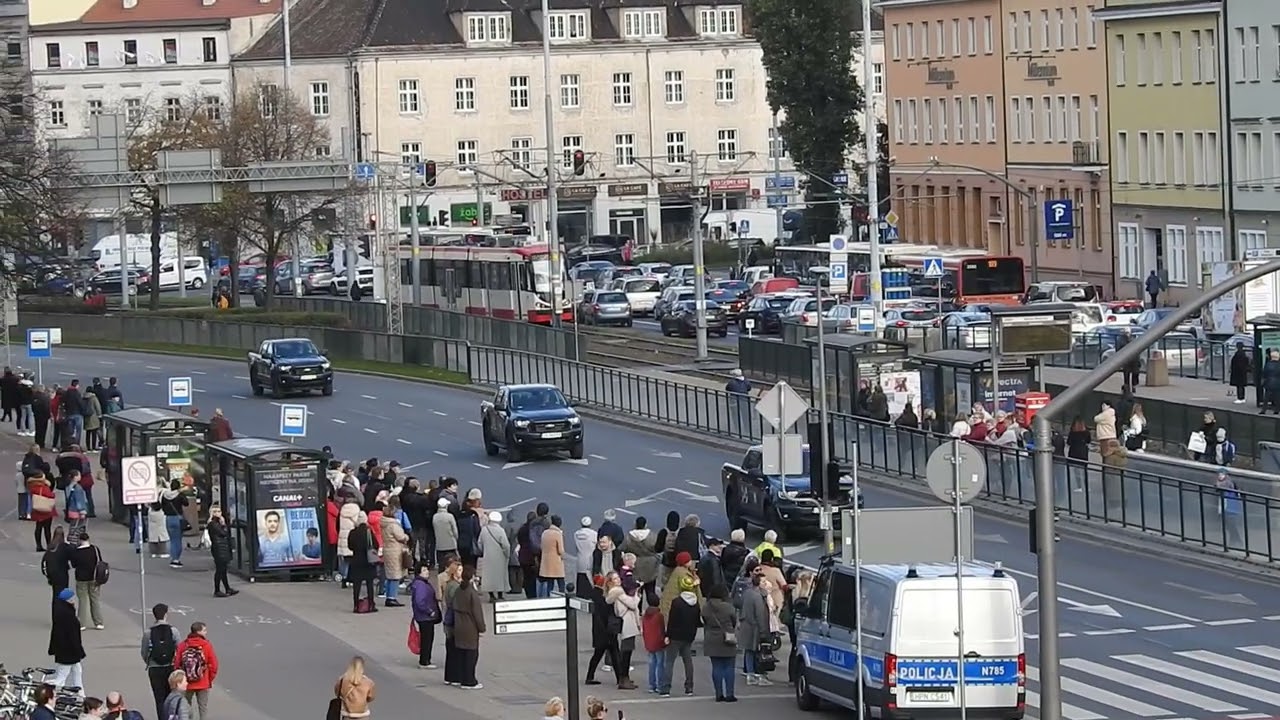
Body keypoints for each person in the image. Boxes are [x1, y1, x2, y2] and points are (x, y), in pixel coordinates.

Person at [659, 580, 702, 697]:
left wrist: (667, 635)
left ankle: (666, 688)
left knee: (669, 662)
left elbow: (672, 620)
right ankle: (689, 687)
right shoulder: (696, 603)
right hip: (688, 636)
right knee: (688, 662)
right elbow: (697, 621)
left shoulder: (677, 602)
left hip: (676, 636)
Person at [142, 603, 182, 720]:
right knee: (173, 697)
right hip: (170, 667)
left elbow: (144, 652)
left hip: (154, 669)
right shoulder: (173, 631)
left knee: (159, 698)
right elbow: (179, 649)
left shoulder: (148, 633)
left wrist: (149, 662)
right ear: (166, 614)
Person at [452, 565, 487, 689]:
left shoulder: (458, 590)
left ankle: (462, 678)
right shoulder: (472, 592)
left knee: (461, 653)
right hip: (470, 626)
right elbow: (477, 613)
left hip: (458, 625)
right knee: (471, 654)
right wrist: (482, 628)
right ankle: (469, 680)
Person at [702, 584, 739, 702]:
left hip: (711, 638)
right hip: (727, 638)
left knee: (716, 667)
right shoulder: (728, 607)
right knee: (729, 667)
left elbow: (705, 621)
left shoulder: (706, 607)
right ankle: (729, 694)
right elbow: (734, 621)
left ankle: (718, 693)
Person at [584, 575, 623, 688]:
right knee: (614, 654)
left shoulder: (596, 595)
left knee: (600, 654)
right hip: (606, 630)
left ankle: (590, 676)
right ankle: (619, 678)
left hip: (600, 630)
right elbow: (607, 613)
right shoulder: (603, 596)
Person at [174, 622, 218, 720]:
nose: (206, 632)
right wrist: (209, 678)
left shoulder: (183, 645)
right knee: (203, 708)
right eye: (204, 630)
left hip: (187, 682)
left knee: (186, 707)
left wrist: (182, 678)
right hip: (203, 681)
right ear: (199, 632)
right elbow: (214, 665)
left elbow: (177, 663)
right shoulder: (206, 645)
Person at [607, 572, 641, 690]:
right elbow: (632, 604)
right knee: (626, 652)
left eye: (618, 578)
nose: (618, 580)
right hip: (628, 622)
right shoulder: (618, 592)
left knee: (627, 651)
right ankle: (623, 678)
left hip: (627, 622)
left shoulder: (616, 592)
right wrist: (636, 595)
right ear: (610, 582)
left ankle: (624, 677)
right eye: (615, 579)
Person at [49, 587, 86, 691]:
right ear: (68, 600)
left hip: (64, 650)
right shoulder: (68, 615)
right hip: (69, 651)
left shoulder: (61, 612)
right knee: (61, 677)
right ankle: (49, 693)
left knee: (77, 670)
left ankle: (81, 695)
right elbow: (73, 636)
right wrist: (79, 650)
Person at [739, 572, 772, 686]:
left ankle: (750, 674)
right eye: (764, 582)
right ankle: (759, 676)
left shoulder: (747, 593)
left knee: (749, 651)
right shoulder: (758, 597)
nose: (766, 583)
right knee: (759, 652)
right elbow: (760, 615)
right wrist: (764, 631)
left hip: (746, 625)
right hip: (755, 628)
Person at [69, 530, 104, 630]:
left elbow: (74, 565)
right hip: (94, 577)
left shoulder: (76, 552)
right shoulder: (95, 549)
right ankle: (98, 622)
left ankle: (81, 623)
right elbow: (99, 561)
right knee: (95, 599)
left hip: (81, 578)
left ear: (80, 540)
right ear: (88, 539)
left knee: (83, 600)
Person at [408, 563, 441, 669]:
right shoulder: (421, 585)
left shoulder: (421, 583)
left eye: (427, 570)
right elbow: (420, 601)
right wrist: (429, 611)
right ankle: (425, 660)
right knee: (427, 638)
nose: (427, 572)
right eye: (424, 570)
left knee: (427, 637)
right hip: (425, 616)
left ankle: (425, 659)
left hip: (423, 616)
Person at [348, 511, 381, 613]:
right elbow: (376, 544)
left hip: (356, 561)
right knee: (369, 584)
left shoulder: (353, 532)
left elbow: (350, 546)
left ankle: (356, 605)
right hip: (368, 561)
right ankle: (371, 604)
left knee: (356, 585)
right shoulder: (368, 532)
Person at [379, 502, 410, 607]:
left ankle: (388, 595)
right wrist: (406, 537)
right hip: (395, 551)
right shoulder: (393, 525)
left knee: (389, 575)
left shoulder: (383, 523)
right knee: (395, 576)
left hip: (387, 549)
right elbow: (401, 537)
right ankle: (392, 597)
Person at [440, 557, 464, 686]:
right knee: (454, 649)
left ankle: (449, 676)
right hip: (454, 620)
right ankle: (454, 676)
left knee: (451, 649)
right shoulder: (455, 586)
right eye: (459, 570)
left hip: (449, 619)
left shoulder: (449, 584)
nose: (461, 572)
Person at [478, 511, 511, 600]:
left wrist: (484, 551)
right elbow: (506, 545)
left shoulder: (484, 530)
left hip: (488, 556)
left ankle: (491, 595)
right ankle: (500, 594)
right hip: (499, 556)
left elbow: (479, 543)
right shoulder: (500, 530)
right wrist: (507, 554)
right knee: (500, 575)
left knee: (489, 576)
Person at [159, 481, 190, 567]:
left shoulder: (165, 495)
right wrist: (182, 493)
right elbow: (186, 503)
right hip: (178, 518)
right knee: (178, 539)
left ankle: (173, 558)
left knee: (172, 539)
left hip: (168, 518)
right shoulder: (179, 495)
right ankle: (176, 559)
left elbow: (161, 505)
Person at [207, 509, 237, 597]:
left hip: (223, 547)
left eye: (219, 511)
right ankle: (217, 590)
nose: (218, 513)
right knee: (219, 570)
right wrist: (223, 524)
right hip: (218, 549)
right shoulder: (213, 524)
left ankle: (227, 588)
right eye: (215, 512)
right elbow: (223, 533)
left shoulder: (217, 523)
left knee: (223, 570)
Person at [537, 515, 567, 598]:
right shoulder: (558, 534)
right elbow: (560, 550)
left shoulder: (545, 533)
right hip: (556, 562)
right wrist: (563, 556)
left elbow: (541, 547)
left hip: (547, 562)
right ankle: (562, 597)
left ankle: (549, 598)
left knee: (550, 583)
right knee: (561, 582)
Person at [28, 471, 57, 551]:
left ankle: (38, 545)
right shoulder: (44, 487)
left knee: (38, 527)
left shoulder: (32, 486)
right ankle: (48, 544)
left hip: (37, 509)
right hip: (46, 509)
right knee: (47, 528)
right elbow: (50, 495)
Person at [41, 526, 72, 600]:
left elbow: (44, 561)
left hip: (53, 575)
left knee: (55, 594)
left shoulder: (51, 546)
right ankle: (62, 609)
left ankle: (55, 610)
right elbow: (73, 557)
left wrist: (48, 575)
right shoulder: (65, 546)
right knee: (63, 595)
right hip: (63, 575)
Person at [432, 497, 459, 569]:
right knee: (452, 566)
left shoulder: (435, 517)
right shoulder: (450, 516)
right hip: (450, 544)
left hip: (439, 545)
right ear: (446, 506)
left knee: (441, 567)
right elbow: (455, 531)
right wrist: (456, 539)